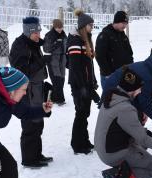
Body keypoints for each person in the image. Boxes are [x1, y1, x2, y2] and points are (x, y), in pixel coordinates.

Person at [96, 67, 152, 178]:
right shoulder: (125, 108)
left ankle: (127, 165)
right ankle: (117, 175)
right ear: (131, 89)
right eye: (139, 88)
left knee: (141, 144)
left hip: (105, 148)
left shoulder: (112, 97)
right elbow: (143, 139)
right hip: (112, 153)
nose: (140, 91)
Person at [102, 56, 152, 140]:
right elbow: (144, 103)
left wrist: (144, 110)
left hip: (127, 94)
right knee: (126, 120)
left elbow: (148, 95)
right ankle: (115, 143)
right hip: (114, 93)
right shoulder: (148, 77)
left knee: (136, 117)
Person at [10, 16, 53, 168]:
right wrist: (43, 61)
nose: (38, 35)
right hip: (26, 91)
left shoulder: (34, 44)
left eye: (39, 31)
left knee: (39, 122)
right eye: (35, 32)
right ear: (28, 31)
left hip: (37, 88)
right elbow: (22, 72)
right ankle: (29, 159)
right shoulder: (20, 46)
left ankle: (36, 154)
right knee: (30, 125)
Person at [67, 9, 100, 154]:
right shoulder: (75, 41)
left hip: (85, 84)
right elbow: (75, 68)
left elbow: (88, 66)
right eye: (90, 25)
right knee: (80, 113)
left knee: (84, 113)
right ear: (83, 26)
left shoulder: (84, 40)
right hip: (79, 85)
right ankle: (77, 144)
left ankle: (84, 140)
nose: (92, 27)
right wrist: (82, 87)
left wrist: (92, 82)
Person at [96, 10, 133, 86]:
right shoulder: (105, 35)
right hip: (110, 76)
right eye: (123, 23)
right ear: (116, 21)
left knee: (124, 97)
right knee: (110, 97)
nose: (125, 26)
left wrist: (130, 68)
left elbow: (129, 53)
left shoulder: (123, 37)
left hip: (124, 74)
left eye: (126, 24)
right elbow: (100, 56)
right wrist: (108, 74)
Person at [43, 19, 67, 105]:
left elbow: (66, 47)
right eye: (58, 28)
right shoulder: (49, 35)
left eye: (61, 27)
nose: (60, 29)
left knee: (62, 80)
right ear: (54, 27)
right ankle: (60, 100)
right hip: (53, 60)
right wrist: (55, 44)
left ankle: (53, 96)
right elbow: (45, 49)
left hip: (62, 60)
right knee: (57, 80)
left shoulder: (64, 35)